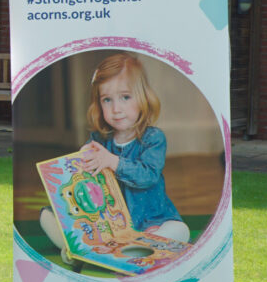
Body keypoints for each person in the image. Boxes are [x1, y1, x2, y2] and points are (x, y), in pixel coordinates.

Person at [39, 53, 188, 262]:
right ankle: (79, 249)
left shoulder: (153, 138)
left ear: (143, 98)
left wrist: (113, 162)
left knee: (179, 230)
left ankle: (133, 249)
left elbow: (149, 176)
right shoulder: (100, 139)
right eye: (107, 100)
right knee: (46, 216)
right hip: (106, 225)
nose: (116, 109)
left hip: (149, 221)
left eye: (125, 97)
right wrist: (82, 161)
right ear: (99, 104)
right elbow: (86, 181)